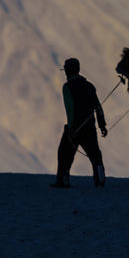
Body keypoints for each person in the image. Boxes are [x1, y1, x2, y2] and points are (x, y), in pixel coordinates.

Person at [52, 57, 107, 188]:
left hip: (75, 128)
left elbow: (70, 110)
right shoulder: (89, 86)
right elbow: (98, 107)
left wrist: (71, 128)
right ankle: (100, 179)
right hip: (89, 127)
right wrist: (102, 125)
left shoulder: (67, 87)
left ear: (67, 71)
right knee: (95, 155)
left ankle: (63, 180)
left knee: (64, 153)